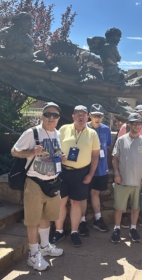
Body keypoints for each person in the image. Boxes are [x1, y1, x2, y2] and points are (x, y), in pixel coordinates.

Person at [11, 102, 64, 271]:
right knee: (33, 220)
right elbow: (14, 151)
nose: (51, 118)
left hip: (53, 182)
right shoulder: (32, 132)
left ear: (58, 119)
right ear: (42, 116)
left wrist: (59, 158)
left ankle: (45, 246)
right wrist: (32, 152)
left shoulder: (57, 133)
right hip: (34, 183)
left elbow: (54, 153)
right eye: (48, 114)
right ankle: (33, 255)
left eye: (54, 115)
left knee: (46, 216)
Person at [51, 105, 100, 248]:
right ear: (73, 116)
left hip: (81, 173)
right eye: (78, 114)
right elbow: (55, 148)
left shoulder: (92, 134)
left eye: (83, 114)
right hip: (63, 171)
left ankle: (74, 232)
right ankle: (59, 231)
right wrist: (59, 155)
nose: (80, 117)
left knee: (76, 203)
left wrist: (91, 174)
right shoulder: (63, 129)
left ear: (87, 117)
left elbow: (95, 156)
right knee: (60, 202)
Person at [111, 113, 142, 243]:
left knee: (136, 207)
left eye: (139, 123)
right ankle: (117, 229)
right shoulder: (121, 140)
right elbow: (115, 158)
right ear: (128, 124)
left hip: (138, 181)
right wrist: (117, 173)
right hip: (122, 180)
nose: (137, 126)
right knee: (119, 207)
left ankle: (133, 228)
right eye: (134, 123)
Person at [117, 104, 142, 227]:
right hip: (126, 169)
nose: (141, 116)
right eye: (139, 113)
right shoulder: (125, 127)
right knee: (125, 196)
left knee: (139, 197)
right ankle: (124, 217)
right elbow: (120, 146)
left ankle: (136, 218)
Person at [79, 104, 113, 234]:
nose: (97, 118)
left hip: (101, 168)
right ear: (89, 116)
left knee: (95, 193)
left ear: (103, 117)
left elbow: (109, 146)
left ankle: (98, 219)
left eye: (99, 115)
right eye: (94, 115)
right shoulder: (84, 128)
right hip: (85, 167)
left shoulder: (106, 129)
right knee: (82, 195)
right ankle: (82, 221)